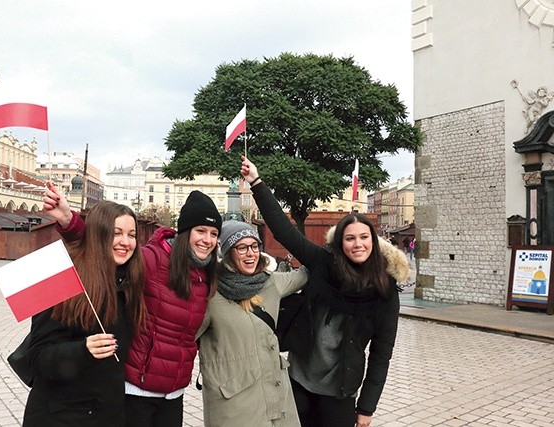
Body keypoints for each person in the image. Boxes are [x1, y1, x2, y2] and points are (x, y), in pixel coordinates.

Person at [241, 156, 409, 427]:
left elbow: (382, 353)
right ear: (340, 243)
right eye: (350, 238)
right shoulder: (323, 264)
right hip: (299, 380)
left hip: (341, 389)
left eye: (364, 237)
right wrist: (257, 183)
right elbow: (285, 232)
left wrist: (367, 407)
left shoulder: (384, 291)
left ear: (374, 242)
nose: (357, 244)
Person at [43, 184, 222, 427]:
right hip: (137, 389)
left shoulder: (206, 275)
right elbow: (106, 246)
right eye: (201, 230)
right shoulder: (153, 259)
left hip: (174, 393)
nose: (207, 240)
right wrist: (69, 222)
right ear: (185, 231)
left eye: (214, 233)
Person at [23, 200, 146, 426]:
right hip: (61, 416)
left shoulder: (129, 283)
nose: (125, 242)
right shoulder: (63, 280)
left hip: (107, 414)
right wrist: (83, 350)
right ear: (99, 236)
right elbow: (36, 359)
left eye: (132, 235)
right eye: (116, 233)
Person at [196, 220, 308, 426]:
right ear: (228, 252)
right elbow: (181, 336)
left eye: (254, 246)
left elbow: (308, 272)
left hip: (277, 398)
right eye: (242, 247)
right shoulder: (209, 294)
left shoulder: (271, 282)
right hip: (234, 404)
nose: (251, 253)